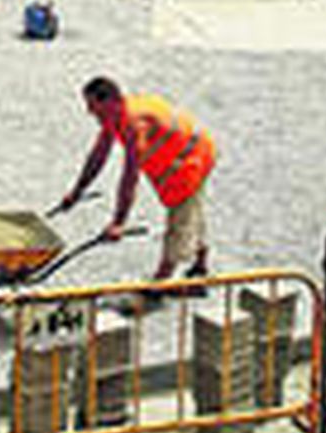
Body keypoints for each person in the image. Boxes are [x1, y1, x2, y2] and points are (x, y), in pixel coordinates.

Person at [55, 76, 217, 285]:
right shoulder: (114, 116)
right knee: (192, 211)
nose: (90, 112)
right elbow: (98, 155)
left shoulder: (134, 123)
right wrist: (77, 191)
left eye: (93, 106)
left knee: (181, 216)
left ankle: (160, 282)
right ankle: (200, 264)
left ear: (111, 101)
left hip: (190, 159)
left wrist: (118, 223)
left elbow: (129, 177)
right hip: (189, 152)